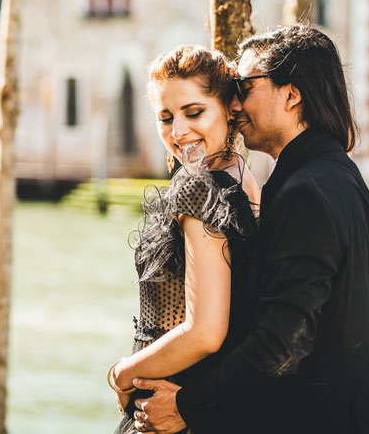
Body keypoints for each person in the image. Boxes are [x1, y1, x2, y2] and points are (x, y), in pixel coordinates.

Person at [130, 25, 369, 433]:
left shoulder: (305, 191)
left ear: (291, 93)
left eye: (245, 87)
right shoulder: (342, 178)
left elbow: (281, 345)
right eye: (165, 116)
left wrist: (180, 402)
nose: (235, 105)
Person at [108, 45, 261, 434]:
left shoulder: (196, 187)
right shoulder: (246, 181)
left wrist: (122, 372)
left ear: (229, 108)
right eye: (165, 117)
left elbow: (205, 331)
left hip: (167, 404)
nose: (178, 132)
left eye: (194, 113)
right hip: (212, 405)